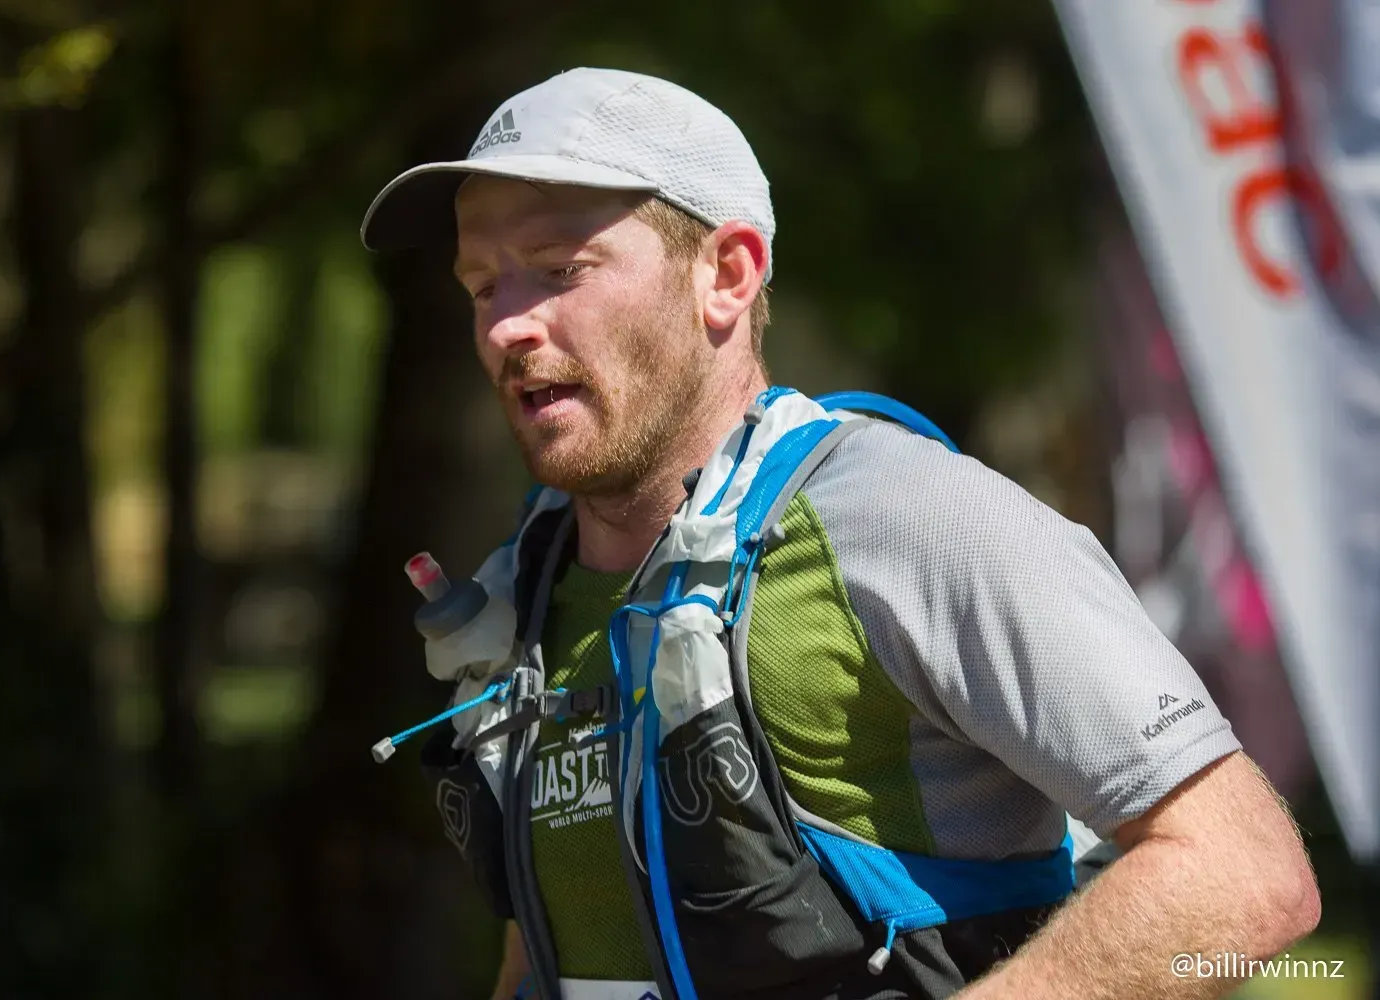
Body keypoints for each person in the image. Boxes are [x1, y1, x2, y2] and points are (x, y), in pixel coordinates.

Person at [361, 68, 1320, 1000]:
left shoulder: (909, 517)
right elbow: (549, 949)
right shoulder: (523, 583)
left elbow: (1242, 874)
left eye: (561, 271)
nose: (506, 329)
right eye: (482, 286)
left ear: (726, 276)